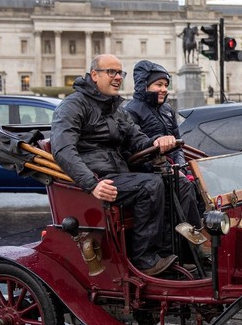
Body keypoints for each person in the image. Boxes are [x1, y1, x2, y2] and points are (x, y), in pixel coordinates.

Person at [50, 54, 179, 276]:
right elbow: (63, 150)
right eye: (112, 72)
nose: (118, 77)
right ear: (94, 75)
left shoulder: (116, 108)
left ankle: (174, 250)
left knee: (175, 182)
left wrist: (155, 142)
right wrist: (92, 184)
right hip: (98, 179)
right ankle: (145, 260)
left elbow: (137, 139)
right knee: (150, 185)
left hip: (118, 175)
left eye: (120, 73)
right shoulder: (72, 105)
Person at [125, 60, 204, 237]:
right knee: (183, 185)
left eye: (166, 85)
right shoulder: (131, 111)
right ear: (144, 85)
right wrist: (169, 169)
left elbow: (177, 144)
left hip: (171, 168)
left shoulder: (167, 109)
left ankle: (206, 233)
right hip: (149, 170)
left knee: (205, 179)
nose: (164, 89)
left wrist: (180, 166)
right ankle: (185, 246)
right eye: (158, 84)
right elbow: (132, 150)